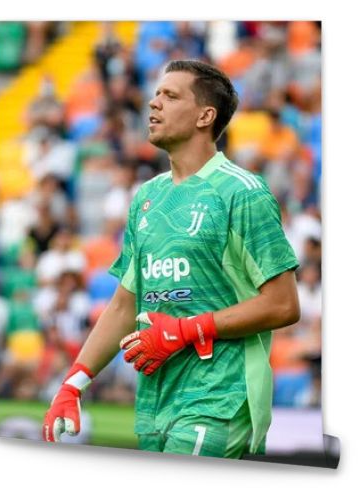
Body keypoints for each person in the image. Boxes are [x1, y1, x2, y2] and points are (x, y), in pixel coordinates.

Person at [42, 59, 300, 459]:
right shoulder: (147, 198)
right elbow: (124, 304)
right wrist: (73, 382)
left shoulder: (243, 193)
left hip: (220, 397)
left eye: (170, 95)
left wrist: (186, 331)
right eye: (156, 93)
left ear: (205, 116)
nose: (153, 103)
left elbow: (283, 304)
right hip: (155, 400)